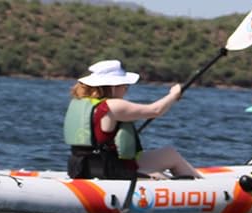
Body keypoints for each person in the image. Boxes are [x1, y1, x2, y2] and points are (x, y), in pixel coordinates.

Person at [63, 60, 203, 180]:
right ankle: (203, 190)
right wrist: (173, 95)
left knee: (168, 154)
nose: (126, 90)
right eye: (125, 85)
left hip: (80, 167)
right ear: (113, 86)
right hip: (109, 169)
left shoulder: (81, 103)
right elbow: (156, 110)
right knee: (171, 156)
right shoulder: (113, 106)